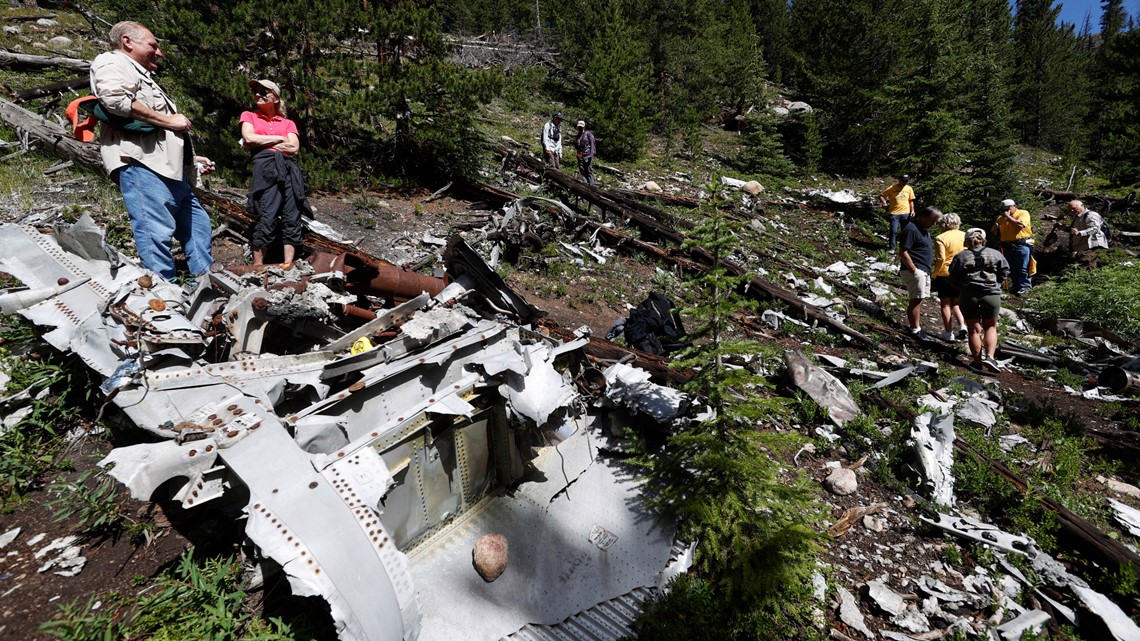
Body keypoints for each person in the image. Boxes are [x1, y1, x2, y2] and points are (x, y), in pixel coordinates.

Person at [90, 21, 215, 281]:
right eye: (153, 45)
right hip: (141, 164)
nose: (159, 52)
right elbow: (114, 99)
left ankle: (207, 284)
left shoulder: (142, 74)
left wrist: (191, 158)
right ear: (128, 42)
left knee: (198, 226)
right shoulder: (113, 62)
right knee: (155, 232)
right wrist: (170, 120)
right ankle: (165, 297)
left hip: (170, 166)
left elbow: (158, 131)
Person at [240, 79, 313, 267]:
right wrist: (279, 139)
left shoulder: (288, 122)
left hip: (289, 168)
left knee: (291, 213)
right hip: (265, 169)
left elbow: (294, 148)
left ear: (276, 97)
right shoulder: (249, 116)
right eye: (256, 91)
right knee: (267, 213)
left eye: (264, 92)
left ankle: (288, 263)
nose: (258, 95)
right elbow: (248, 137)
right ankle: (258, 265)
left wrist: (260, 141)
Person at [949, 228, 1011, 374]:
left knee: (973, 330)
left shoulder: (961, 256)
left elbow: (952, 277)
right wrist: (996, 283)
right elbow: (1005, 272)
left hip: (969, 295)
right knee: (991, 327)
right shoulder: (995, 253)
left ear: (967, 240)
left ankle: (977, 363)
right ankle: (990, 357)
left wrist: (961, 287)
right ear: (983, 239)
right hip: (991, 295)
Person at [898, 206, 942, 340]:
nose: (933, 224)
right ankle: (915, 329)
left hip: (923, 270)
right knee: (915, 300)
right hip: (916, 270)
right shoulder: (911, 229)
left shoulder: (924, 230)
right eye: (932, 220)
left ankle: (916, 327)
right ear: (923, 216)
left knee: (919, 299)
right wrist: (913, 270)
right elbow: (903, 251)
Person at [931, 213, 967, 341]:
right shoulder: (965, 236)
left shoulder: (940, 238)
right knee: (956, 302)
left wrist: (935, 273)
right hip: (961, 273)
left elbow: (941, 258)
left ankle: (948, 332)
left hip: (945, 273)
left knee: (945, 303)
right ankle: (963, 325)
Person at [992, 198, 1033, 295]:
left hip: (1021, 244)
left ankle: (1025, 286)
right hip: (1008, 245)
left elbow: (1020, 225)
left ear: (1013, 207)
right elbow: (994, 232)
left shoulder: (1023, 213)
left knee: (1023, 267)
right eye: (1003, 209)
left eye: (1007, 209)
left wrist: (1008, 217)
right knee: (1012, 267)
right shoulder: (1001, 218)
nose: (1005, 211)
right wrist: (997, 227)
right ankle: (1016, 285)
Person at [880, 174, 915, 252]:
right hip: (894, 213)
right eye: (903, 181)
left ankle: (904, 248)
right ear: (900, 180)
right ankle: (892, 248)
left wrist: (912, 211)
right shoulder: (892, 188)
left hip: (906, 213)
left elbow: (911, 200)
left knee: (905, 231)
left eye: (906, 181)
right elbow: (881, 196)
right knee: (893, 230)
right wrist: (884, 202)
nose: (905, 182)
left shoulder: (909, 189)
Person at [1067, 199, 1108, 266]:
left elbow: (1095, 228)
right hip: (1085, 245)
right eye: (1070, 209)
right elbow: (1073, 231)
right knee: (1085, 264)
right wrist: (1060, 226)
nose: (1072, 211)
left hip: (1093, 244)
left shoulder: (1091, 215)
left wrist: (1080, 233)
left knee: (1084, 263)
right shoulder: (1078, 217)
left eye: (1074, 208)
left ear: (1082, 206)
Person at [575, 120, 596, 186]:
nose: (580, 128)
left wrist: (591, 155)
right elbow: (576, 147)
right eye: (579, 127)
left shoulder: (588, 134)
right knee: (582, 171)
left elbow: (592, 145)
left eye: (581, 127)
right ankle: (586, 184)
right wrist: (577, 143)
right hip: (580, 155)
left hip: (588, 155)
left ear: (584, 127)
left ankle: (592, 185)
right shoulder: (578, 136)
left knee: (589, 170)